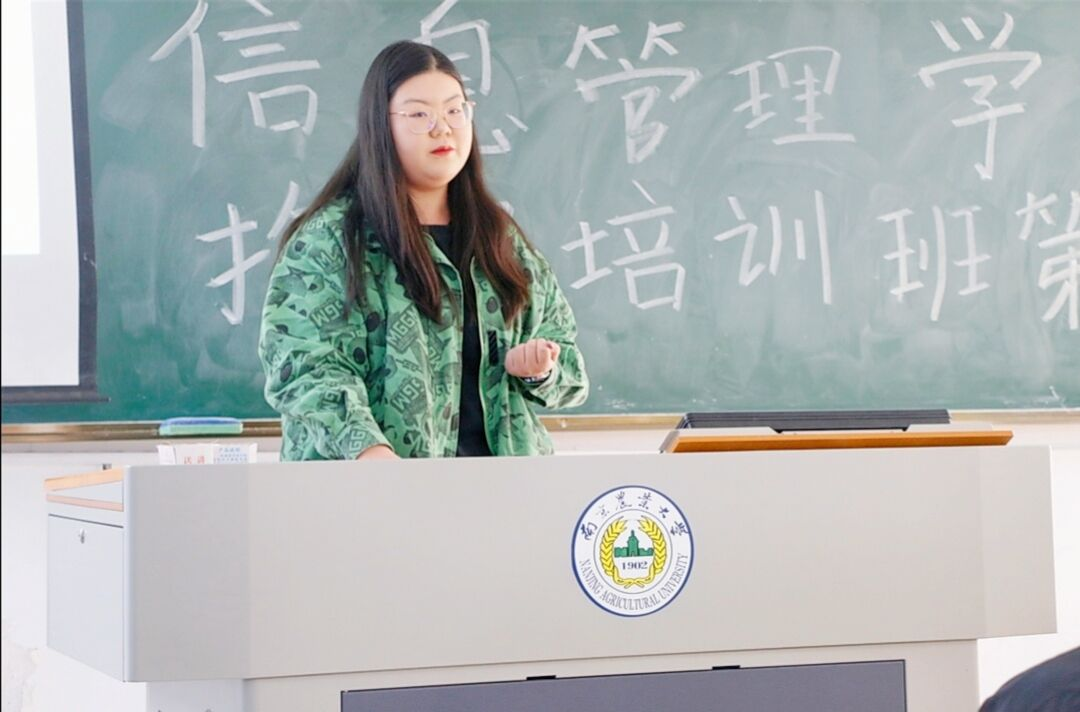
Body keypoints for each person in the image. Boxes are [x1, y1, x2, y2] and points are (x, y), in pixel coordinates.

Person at [258, 40, 588, 461]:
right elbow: (304, 367)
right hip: (371, 488)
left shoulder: (500, 239)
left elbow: (571, 372)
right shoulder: (332, 240)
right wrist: (370, 452)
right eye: (418, 115)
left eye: (454, 110)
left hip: (505, 487)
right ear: (380, 125)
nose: (442, 128)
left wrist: (541, 369)